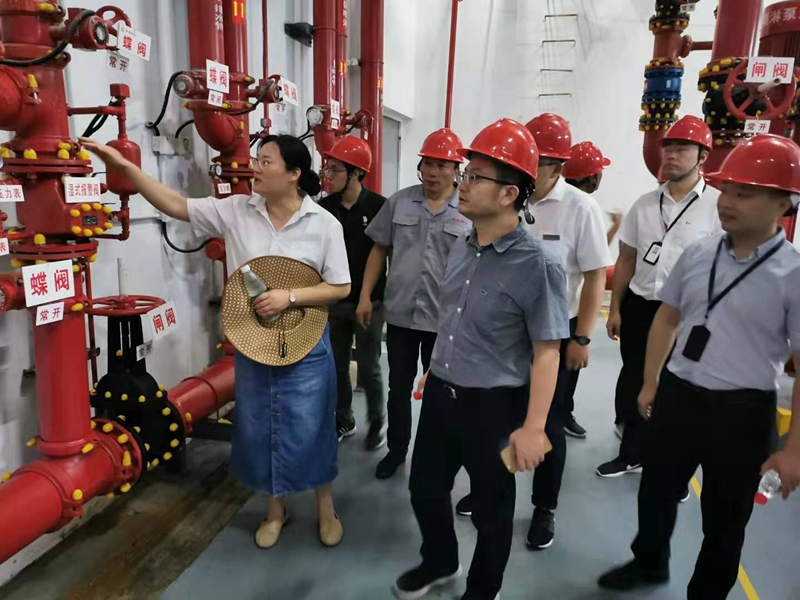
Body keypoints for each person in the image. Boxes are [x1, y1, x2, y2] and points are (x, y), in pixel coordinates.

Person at [80, 134, 351, 550]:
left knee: (313, 426)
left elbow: (340, 286)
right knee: (263, 427)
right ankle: (275, 511)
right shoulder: (236, 210)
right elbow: (175, 205)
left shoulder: (323, 224)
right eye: (256, 159)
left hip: (306, 343)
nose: (255, 167)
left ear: (294, 174)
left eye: (266, 161)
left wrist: (290, 296)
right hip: (254, 343)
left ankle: (326, 508)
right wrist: (126, 168)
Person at [598, 133, 800, 598]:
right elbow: (668, 317)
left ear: (783, 204)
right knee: (655, 491)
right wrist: (651, 382)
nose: (726, 202)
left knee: (725, 521)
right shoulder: (700, 253)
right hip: (678, 395)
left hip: (743, 413)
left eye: (743, 194)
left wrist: (793, 450)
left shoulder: (792, 275)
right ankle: (649, 563)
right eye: (726, 190)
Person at [393, 118, 569, 600]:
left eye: (473, 177)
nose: (462, 184)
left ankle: (482, 590)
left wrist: (534, 428)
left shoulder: (538, 264)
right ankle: (440, 560)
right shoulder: (462, 244)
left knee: (492, 510)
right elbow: (453, 316)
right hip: (441, 393)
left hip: (495, 407)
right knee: (425, 488)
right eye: (464, 174)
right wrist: (437, 366)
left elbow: (548, 351)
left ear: (509, 194)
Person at [597, 115, 722, 480]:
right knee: (635, 377)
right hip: (640, 306)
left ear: (702, 156)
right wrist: (615, 308)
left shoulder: (717, 207)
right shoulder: (645, 204)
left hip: (687, 314)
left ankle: (671, 465)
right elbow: (627, 259)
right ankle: (632, 453)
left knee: (678, 387)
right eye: (668, 147)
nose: (670, 155)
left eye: (681, 149)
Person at [359, 128, 472, 479]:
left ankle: (434, 457)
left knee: (441, 392)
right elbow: (379, 249)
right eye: (428, 164)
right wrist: (365, 296)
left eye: (442, 165)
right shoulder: (399, 202)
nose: (433, 172)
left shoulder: (469, 209)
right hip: (401, 316)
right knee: (399, 388)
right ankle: (396, 450)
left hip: (445, 321)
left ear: (456, 170)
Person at [319, 135, 388, 451]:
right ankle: (344, 419)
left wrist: (368, 298)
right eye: (327, 169)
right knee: (336, 365)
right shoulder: (324, 208)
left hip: (370, 303)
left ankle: (376, 423)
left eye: (335, 170)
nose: (328, 175)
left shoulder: (379, 207)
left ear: (356, 173)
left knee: (370, 367)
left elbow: (385, 255)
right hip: (334, 303)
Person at [563, 141, 621, 244]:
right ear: (593, 177)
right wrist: (616, 225)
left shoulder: (554, 199)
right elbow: (598, 250)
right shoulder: (587, 207)